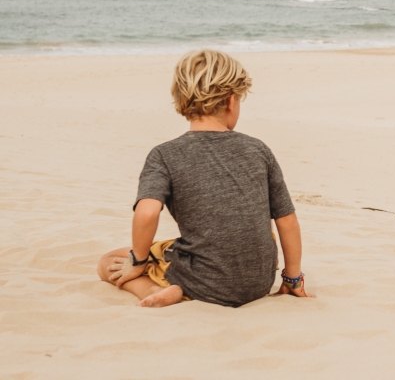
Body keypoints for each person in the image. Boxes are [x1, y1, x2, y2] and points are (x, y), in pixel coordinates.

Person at [97, 50, 311, 307]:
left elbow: (146, 214)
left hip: (202, 284)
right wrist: (292, 279)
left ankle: (152, 289)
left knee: (109, 261)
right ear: (232, 101)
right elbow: (287, 221)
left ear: (181, 100)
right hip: (259, 282)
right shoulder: (258, 149)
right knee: (266, 228)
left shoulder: (164, 155)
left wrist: (139, 262)